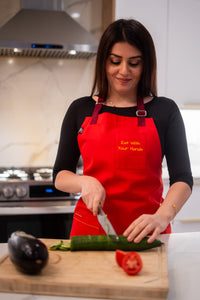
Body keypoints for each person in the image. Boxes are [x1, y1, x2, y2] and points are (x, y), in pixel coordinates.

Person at [53, 19, 193, 243]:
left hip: (148, 235)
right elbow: (60, 175)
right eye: (115, 61)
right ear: (103, 62)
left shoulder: (165, 111)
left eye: (134, 63)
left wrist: (163, 216)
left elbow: (183, 179)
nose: (123, 71)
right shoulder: (81, 108)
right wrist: (84, 182)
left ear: (145, 64)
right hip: (91, 232)